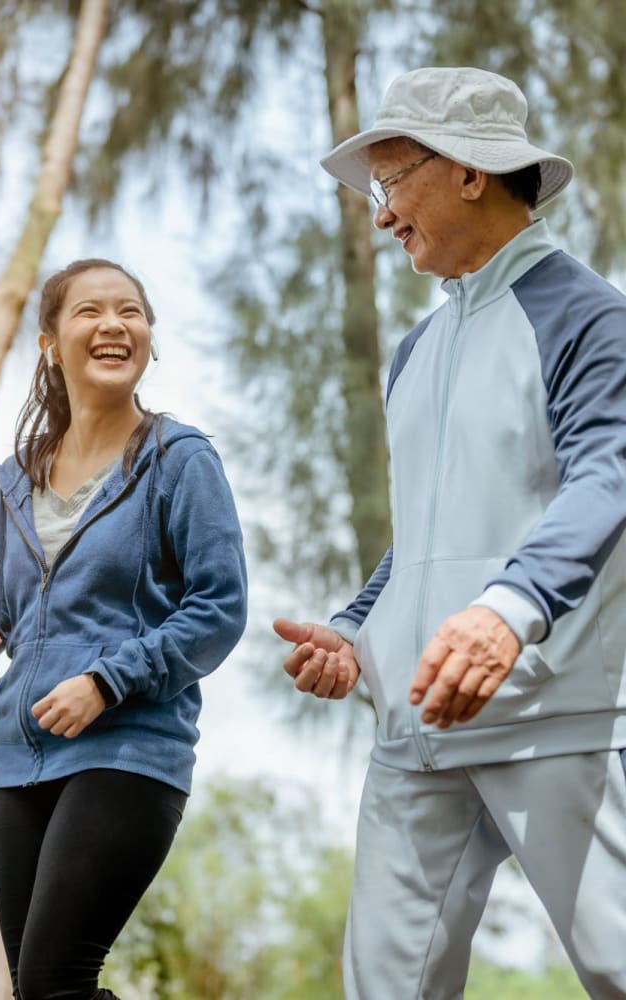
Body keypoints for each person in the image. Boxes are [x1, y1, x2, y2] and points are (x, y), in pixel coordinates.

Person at [274, 66, 626, 999]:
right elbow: (423, 534)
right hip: (414, 727)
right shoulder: (416, 352)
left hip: (557, 718)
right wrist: (356, 632)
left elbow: (610, 476)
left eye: (392, 182)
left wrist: (507, 611)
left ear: (471, 171)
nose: (382, 215)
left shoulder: (590, 317)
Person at [0, 258, 247, 1000]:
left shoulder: (179, 460)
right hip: (18, 758)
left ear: (148, 338)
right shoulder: (15, 479)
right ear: (50, 343)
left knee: (54, 980)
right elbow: (12, 606)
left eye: (131, 312)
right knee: (41, 992)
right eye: (90, 312)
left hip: (127, 749)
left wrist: (108, 682)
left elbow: (218, 608)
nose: (113, 325)